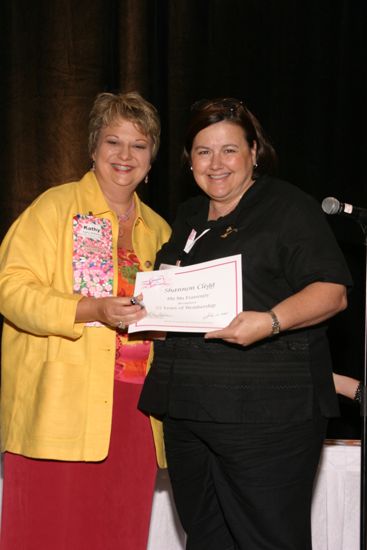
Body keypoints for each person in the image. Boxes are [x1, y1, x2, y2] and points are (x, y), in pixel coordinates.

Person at [138, 97, 353, 550]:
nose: (216, 163)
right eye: (202, 151)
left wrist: (270, 322)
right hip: (190, 412)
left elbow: (332, 292)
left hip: (267, 416)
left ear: (254, 152)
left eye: (229, 149)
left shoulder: (288, 208)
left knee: (267, 540)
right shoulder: (188, 217)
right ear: (188, 160)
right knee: (207, 540)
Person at [0, 91, 171, 550]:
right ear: (93, 148)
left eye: (139, 145)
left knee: (118, 534)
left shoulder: (162, 231)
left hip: (137, 411)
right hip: (58, 407)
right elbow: (10, 290)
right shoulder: (52, 209)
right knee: (49, 534)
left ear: (151, 158)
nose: (125, 155)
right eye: (113, 141)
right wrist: (89, 309)